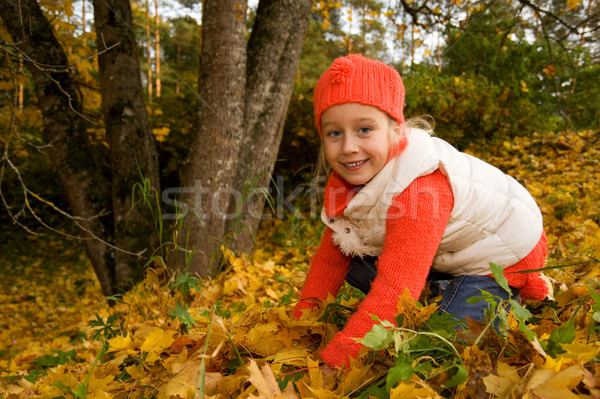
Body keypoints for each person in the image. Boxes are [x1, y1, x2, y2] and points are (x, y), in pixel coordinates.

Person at [292, 54, 549, 370]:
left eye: (363, 129)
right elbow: (328, 261)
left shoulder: (421, 185)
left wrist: (336, 362)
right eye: (334, 133)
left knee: (445, 344)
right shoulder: (346, 183)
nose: (347, 147)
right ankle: (439, 290)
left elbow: (394, 290)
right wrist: (298, 327)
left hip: (503, 254)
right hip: (452, 250)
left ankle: (505, 296)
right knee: (351, 258)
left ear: (395, 129)